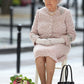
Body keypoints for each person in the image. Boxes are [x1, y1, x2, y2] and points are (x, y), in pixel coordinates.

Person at [29, 0, 76, 84]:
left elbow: (72, 35)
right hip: (42, 43)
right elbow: (33, 33)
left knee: (50, 53)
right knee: (39, 52)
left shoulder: (66, 13)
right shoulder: (39, 13)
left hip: (61, 44)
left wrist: (57, 40)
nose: (48, 1)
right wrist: (40, 40)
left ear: (57, 1)